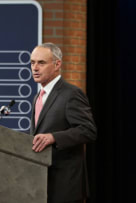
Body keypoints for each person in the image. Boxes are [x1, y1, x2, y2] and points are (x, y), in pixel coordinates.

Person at [30, 42, 97, 203]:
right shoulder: (38, 96)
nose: (35, 68)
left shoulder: (71, 94)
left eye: (41, 63)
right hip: (41, 183)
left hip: (65, 186)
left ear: (57, 64)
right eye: (32, 63)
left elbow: (88, 130)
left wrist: (54, 137)